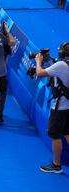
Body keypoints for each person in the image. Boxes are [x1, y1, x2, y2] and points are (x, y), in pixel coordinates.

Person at [37, 42, 69, 174]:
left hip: (59, 108)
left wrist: (38, 61)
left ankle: (56, 165)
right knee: (67, 133)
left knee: (55, 135)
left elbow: (39, 73)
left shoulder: (61, 65)